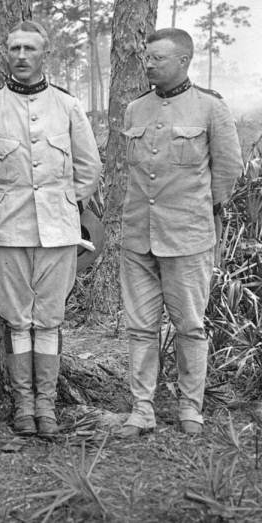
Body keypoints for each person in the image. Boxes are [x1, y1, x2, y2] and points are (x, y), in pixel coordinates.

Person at [0, 21, 101, 439]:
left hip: (58, 232)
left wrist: (61, 203)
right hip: (7, 232)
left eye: (30, 49)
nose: (21, 56)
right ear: (5, 52)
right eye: (14, 47)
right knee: (17, 322)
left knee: (51, 320)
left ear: (46, 55)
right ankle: (24, 406)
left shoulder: (68, 107)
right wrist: (0, 205)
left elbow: (89, 169)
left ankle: (48, 405)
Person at [119, 28, 242, 437]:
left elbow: (227, 172)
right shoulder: (136, 110)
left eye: (157, 58)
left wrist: (197, 212)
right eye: (147, 57)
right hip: (138, 236)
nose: (148, 63)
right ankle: (142, 409)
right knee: (140, 327)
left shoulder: (210, 108)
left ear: (184, 61)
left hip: (188, 237)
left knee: (189, 325)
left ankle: (191, 407)